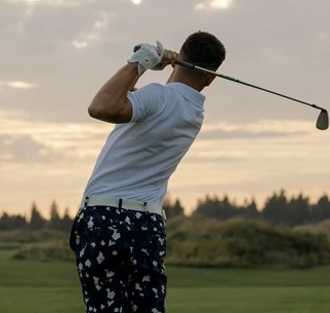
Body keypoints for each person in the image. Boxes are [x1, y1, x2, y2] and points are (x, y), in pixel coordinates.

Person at [70, 31, 227, 313]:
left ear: (180, 59)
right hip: (148, 226)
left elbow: (101, 106)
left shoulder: (156, 96)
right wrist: (168, 69)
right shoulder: (193, 114)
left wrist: (138, 63)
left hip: (106, 219)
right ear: (211, 78)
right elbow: (170, 96)